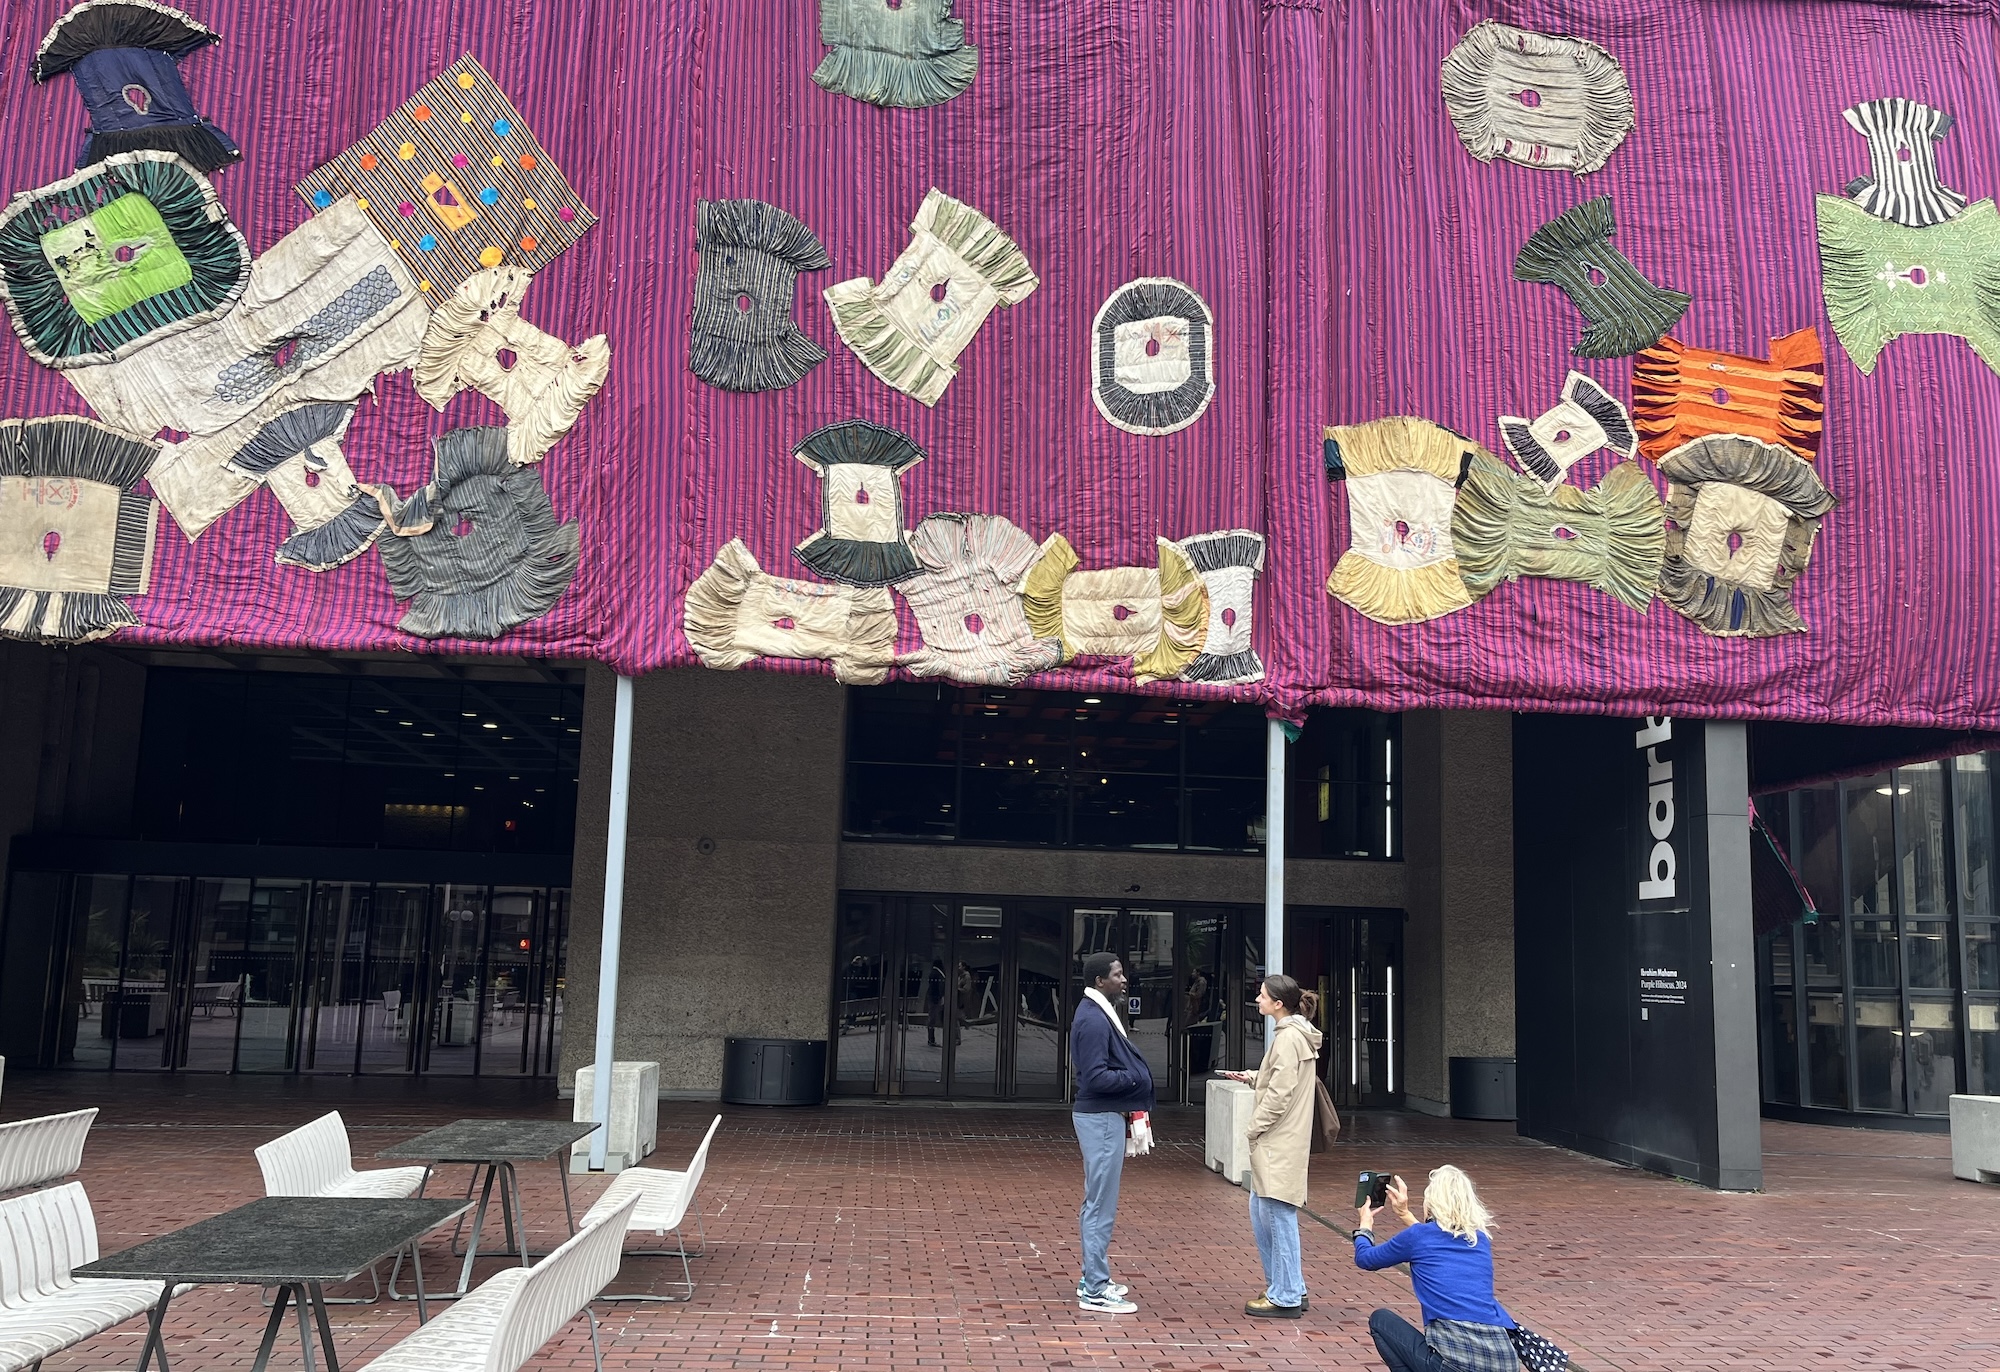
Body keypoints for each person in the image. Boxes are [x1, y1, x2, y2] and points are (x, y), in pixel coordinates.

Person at [1353, 1165, 1519, 1372]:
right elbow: (1434, 1242)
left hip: (1456, 1364)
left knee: (1381, 1320)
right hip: (1504, 1361)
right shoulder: (1480, 1239)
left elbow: (1366, 1259)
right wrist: (1404, 1214)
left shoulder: (1419, 1237)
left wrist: (1364, 1228)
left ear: (1431, 1203)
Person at [1223, 973, 1322, 1317]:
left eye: (1262, 996)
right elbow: (1281, 1081)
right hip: (1283, 1139)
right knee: (1265, 1210)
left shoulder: (1288, 1039)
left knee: (1277, 1214)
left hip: (1278, 1140)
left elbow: (1280, 1095)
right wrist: (1253, 1077)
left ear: (1278, 1004)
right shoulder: (1294, 1035)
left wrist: (1254, 1128)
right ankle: (1288, 1286)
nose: (1258, 1000)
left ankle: (1286, 1294)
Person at [1069, 951, 1154, 1315]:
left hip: (1104, 1119)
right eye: (1117, 975)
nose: (1124, 980)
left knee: (1098, 1202)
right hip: (1101, 1119)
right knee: (1100, 1205)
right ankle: (1096, 1289)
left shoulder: (1100, 1012)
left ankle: (1093, 1277)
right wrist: (1136, 1078)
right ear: (1100, 981)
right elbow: (1096, 1077)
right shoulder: (1093, 1019)